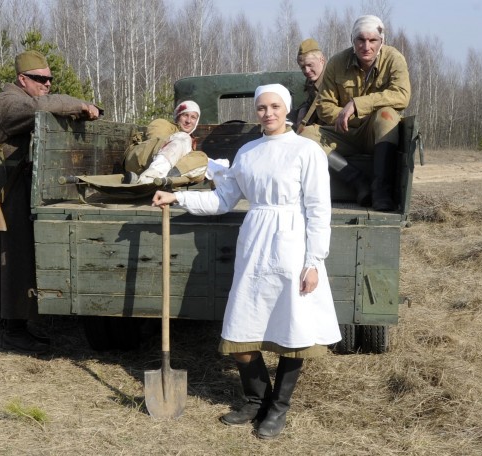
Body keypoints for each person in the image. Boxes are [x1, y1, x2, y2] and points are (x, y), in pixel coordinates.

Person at [152, 84, 341, 439]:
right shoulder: (249, 152)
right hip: (255, 243)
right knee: (243, 327)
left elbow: (319, 209)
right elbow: (222, 199)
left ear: (285, 109)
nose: (267, 113)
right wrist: (176, 197)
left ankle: (278, 409)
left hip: (293, 243)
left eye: (274, 106)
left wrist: (313, 260)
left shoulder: (306, 151)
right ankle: (257, 400)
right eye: (261, 108)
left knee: (292, 327)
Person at [0, 50, 101, 354]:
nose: (47, 83)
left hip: (21, 188)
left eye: (49, 79)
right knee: (13, 259)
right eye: (40, 79)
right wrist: (79, 105)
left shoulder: (22, 100)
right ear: (23, 79)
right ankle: (13, 331)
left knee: (22, 258)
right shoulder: (7, 102)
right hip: (8, 194)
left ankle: (20, 322)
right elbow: (40, 108)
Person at [300, 14, 411, 211]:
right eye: (360, 40)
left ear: (381, 41)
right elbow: (325, 105)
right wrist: (347, 116)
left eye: (372, 40)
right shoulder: (337, 63)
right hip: (344, 132)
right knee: (305, 135)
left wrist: (356, 105)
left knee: (387, 115)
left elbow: (401, 95)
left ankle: (381, 191)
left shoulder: (394, 59)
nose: (366, 46)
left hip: (377, 134)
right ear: (353, 40)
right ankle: (358, 181)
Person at [125, 100, 207, 185]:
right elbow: (159, 145)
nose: (188, 121)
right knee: (183, 137)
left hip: (165, 172)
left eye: (193, 117)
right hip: (140, 160)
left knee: (203, 158)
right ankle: (149, 178)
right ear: (178, 116)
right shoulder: (163, 124)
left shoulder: (188, 142)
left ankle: (164, 178)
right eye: (185, 115)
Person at [290, 38, 326, 132]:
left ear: (322, 60)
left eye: (310, 65)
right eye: (303, 67)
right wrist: (303, 110)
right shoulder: (311, 81)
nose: (306, 71)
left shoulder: (331, 80)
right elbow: (310, 101)